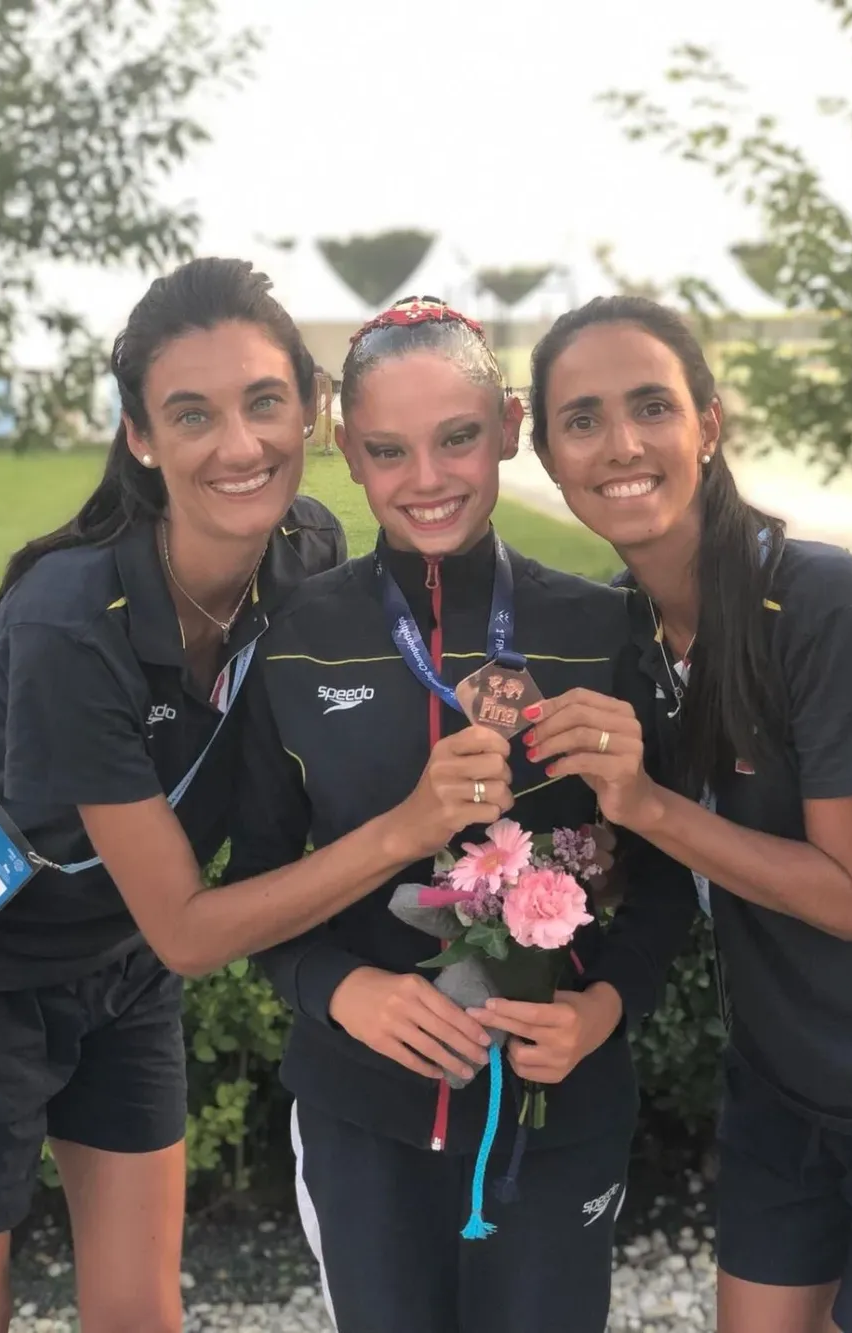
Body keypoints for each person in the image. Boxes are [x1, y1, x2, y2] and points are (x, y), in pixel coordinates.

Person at [0, 261, 509, 1333]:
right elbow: (192, 928)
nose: (239, 446)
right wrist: (406, 831)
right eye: (192, 414)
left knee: (142, 1312)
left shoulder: (307, 554)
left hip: (121, 965)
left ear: (311, 409)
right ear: (142, 438)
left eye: (263, 402)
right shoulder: (67, 624)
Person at [226, 297, 695, 1333]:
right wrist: (341, 990)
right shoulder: (294, 641)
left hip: (557, 1108)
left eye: (458, 440)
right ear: (344, 449)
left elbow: (664, 876)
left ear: (510, 427)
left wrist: (602, 1011)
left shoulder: (600, 626)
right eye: (388, 450)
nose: (426, 478)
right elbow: (250, 888)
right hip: (361, 1115)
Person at [525, 294, 852, 1333]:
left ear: (709, 423)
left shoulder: (824, 607)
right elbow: (661, 860)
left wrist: (645, 804)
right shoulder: (629, 634)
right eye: (582, 420)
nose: (621, 444)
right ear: (551, 459)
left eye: (651, 405)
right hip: (783, 1089)